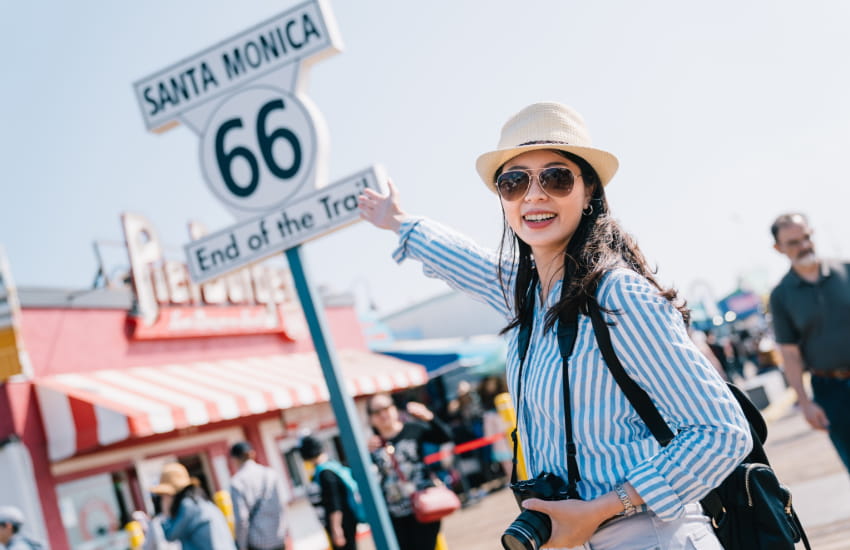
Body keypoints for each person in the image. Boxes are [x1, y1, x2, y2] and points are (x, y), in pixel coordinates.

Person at [358, 101, 752, 549]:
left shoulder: (618, 295)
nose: (533, 195)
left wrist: (605, 507)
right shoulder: (530, 298)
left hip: (649, 535)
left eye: (556, 177)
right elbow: (467, 262)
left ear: (589, 193)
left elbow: (722, 432)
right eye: (514, 181)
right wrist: (398, 223)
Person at [769, 212, 850, 473]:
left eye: (806, 237)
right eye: (793, 242)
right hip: (830, 390)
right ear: (778, 248)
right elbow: (790, 354)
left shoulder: (845, 270)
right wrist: (804, 401)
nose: (803, 245)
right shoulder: (781, 296)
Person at [366, 392, 453, 550]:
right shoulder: (372, 445)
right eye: (376, 412)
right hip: (394, 513)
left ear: (394, 409)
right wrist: (365, 452)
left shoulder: (413, 429)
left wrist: (428, 417)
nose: (383, 414)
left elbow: (445, 436)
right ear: (371, 418)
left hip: (423, 505)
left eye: (386, 408)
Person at [150, 462, 236, 550]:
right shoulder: (202, 503)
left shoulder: (187, 506)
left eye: (164, 495)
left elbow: (170, 535)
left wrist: (166, 514)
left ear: (171, 494)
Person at [298, 435, 362, 550]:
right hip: (347, 520)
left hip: (341, 523)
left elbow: (334, 503)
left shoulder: (324, 473)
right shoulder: (333, 465)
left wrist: (336, 529)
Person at [229, 441, 288, 550]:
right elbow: (282, 505)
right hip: (278, 537)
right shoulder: (270, 473)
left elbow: (242, 519)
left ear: (235, 459)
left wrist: (241, 545)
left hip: (257, 542)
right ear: (252, 454)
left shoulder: (236, 482)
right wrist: (285, 533)